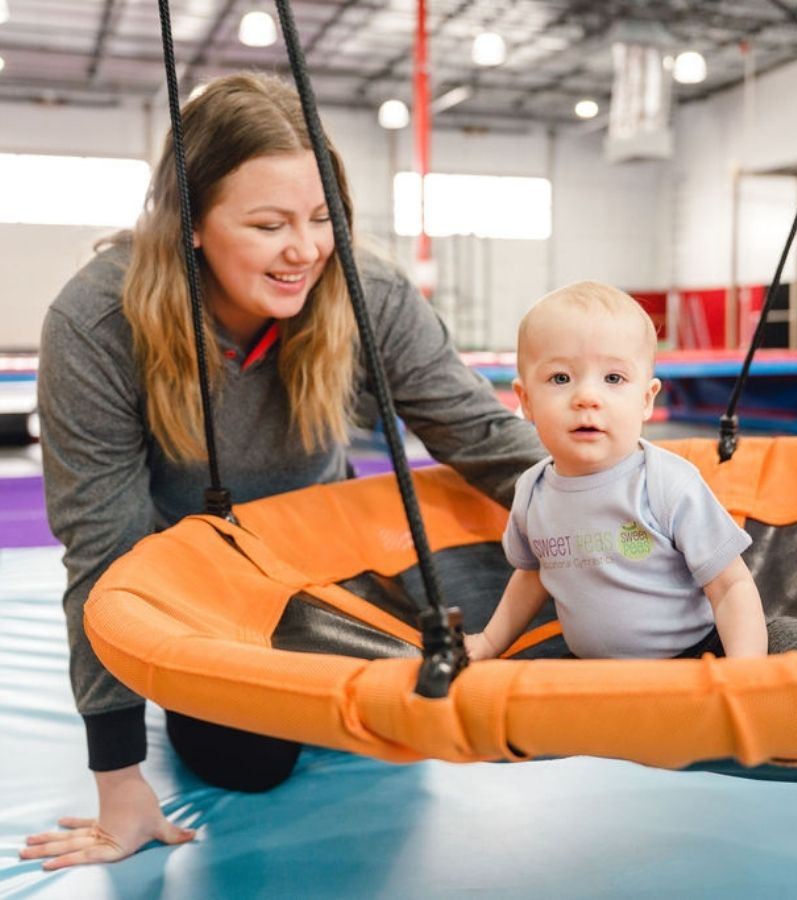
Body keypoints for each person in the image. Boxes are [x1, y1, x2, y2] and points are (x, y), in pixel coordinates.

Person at [21, 72, 546, 870]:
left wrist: (646, 524)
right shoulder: (96, 325)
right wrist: (119, 780)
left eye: (321, 217)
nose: (305, 249)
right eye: (268, 224)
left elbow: (482, 437)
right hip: (204, 592)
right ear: (189, 224)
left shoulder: (365, 293)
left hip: (332, 566)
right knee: (249, 764)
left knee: (532, 591)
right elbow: (103, 553)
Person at [465, 282, 797, 664]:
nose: (587, 397)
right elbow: (532, 575)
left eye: (613, 379)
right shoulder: (532, 492)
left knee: (792, 637)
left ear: (646, 399)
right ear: (526, 402)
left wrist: (743, 671)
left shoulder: (667, 483)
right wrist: (489, 642)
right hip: (595, 669)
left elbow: (730, 584)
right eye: (560, 378)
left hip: (696, 652)